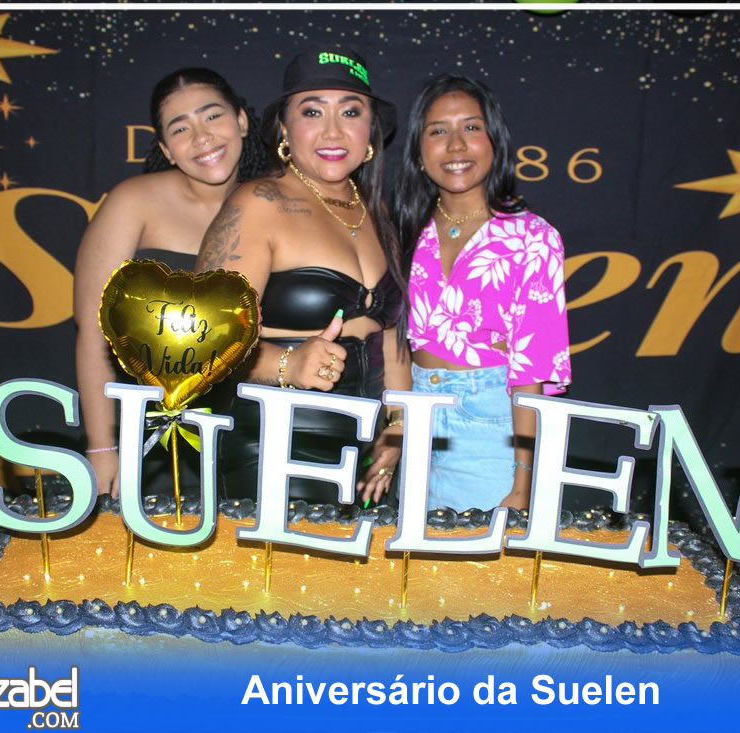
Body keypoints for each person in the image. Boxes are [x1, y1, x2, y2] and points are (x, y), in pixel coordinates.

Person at [195, 46, 408, 505]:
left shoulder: (377, 211)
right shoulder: (259, 203)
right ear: (285, 129)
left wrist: (395, 428)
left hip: (362, 456)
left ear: (371, 130)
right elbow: (198, 339)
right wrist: (285, 364)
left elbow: (392, 339)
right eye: (312, 111)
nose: (333, 130)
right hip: (271, 447)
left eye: (350, 111)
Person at [372, 74, 571, 512]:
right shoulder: (401, 230)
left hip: (492, 427)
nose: (456, 145)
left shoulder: (532, 238)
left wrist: (523, 482)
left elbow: (531, 372)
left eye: (471, 127)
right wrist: (396, 429)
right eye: (438, 131)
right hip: (417, 416)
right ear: (418, 151)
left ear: (494, 141)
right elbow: (392, 340)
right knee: (415, 554)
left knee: (480, 557)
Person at [74, 68, 267, 497]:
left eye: (212, 116)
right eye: (181, 128)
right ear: (165, 148)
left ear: (241, 121)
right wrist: (103, 447)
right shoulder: (134, 201)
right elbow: (93, 331)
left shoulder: (274, 202)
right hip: (153, 441)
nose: (202, 137)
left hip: (253, 438)